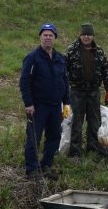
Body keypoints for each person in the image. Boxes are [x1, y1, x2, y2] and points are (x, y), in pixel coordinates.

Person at [19, 23, 70, 182]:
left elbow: (64, 80)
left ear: (55, 38)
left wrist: (66, 103)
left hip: (55, 106)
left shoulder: (60, 58)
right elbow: (24, 81)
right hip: (38, 106)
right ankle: (32, 170)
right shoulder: (32, 58)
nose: (48, 38)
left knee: (55, 135)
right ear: (40, 37)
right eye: (45, 35)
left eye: (51, 35)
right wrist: (28, 103)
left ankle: (46, 165)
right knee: (34, 137)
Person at [64, 22, 108, 157]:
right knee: (76, 122)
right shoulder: (71, 50)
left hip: (93, 92)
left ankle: (92, 149)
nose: (86, 37)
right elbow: (63, 72)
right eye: (84, 35)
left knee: (94, 122)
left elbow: (106, 71)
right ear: (80, 36)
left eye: (89, 34)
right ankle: (75, 152)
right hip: (76, 92)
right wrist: (63, 91)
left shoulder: (99, 51)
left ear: (93, 36)